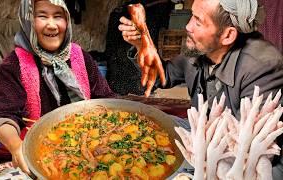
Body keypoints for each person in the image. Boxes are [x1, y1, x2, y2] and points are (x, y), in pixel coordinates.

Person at [119, 0, 283, 178]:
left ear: (228, 35)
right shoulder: (203, 46)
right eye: (191, 16)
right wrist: (141, 45)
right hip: (204, 134)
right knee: (148, 125)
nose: (188, 26)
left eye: (198, 21)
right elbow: (163, 76)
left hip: (242, 162)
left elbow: (248, 153)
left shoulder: (263, 66)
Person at [0, 0, 115, 174]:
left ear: (67, 20)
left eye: (58, 16)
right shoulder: (14, 64)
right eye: (42, 16)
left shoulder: (80, 56)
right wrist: (16, 147)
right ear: (28, 19)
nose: (52, 25)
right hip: (38, 153)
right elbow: (3, 116)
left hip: (83, 147)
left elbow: (106, 99)